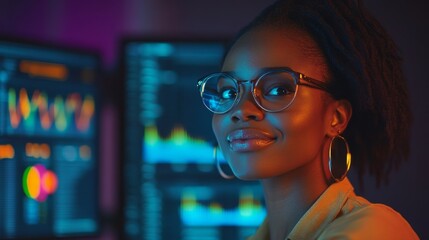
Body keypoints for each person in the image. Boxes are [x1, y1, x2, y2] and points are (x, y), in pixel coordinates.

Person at [197, 0, 419, 239]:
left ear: (336, 117)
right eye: (229, 92)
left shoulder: (372, 231)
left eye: (278, 90)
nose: (240, 110)